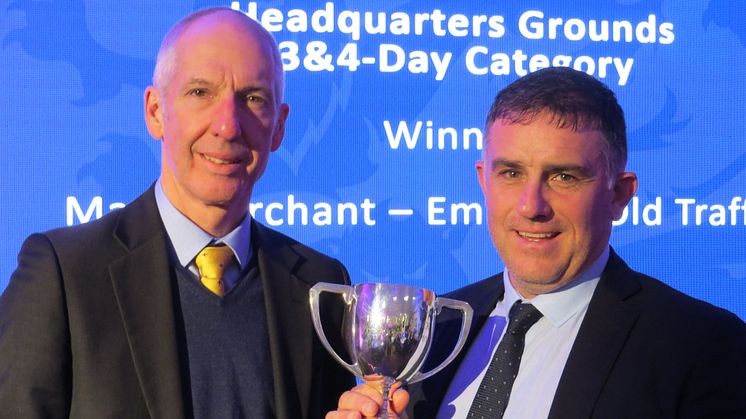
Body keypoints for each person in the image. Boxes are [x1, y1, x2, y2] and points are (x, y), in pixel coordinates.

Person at [327, 67, 746, 418]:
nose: (531, 206)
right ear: (483, 181)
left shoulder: (703, 347)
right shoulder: (436, 329)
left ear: (619, 194)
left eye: (563, 176)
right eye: (510, 173)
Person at [0, 7, 354, 419]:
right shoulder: (64, 274)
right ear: (155, 112)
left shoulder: (321, 286)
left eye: (253, 98)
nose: (227, 126)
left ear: (279, 127)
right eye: (200, 92)